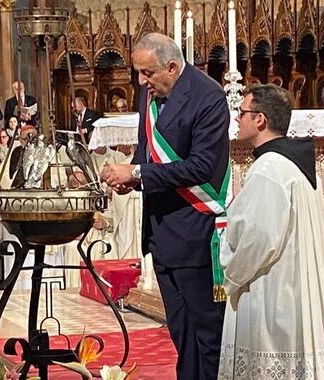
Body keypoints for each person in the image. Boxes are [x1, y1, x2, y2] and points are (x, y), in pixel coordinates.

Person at [100, 32, 230, 379]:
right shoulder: (151, 93)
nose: (141, 82)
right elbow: (147, 150)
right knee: (180, 331)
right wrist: (130, 178)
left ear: (172, 67)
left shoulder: (209, 97)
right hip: (161, 231)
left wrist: (139, 173)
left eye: (147, 73)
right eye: (138, 73)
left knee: (206, 334)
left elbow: (202, 166)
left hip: (193, 231)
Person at [218, 84, 324, 379]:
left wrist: (229, 270)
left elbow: (256, 241)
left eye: (242, 112)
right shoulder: (295, 164)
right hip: (295, 288)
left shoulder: (269, 169)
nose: (237, 119)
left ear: (260, 119)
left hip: (273, 293)